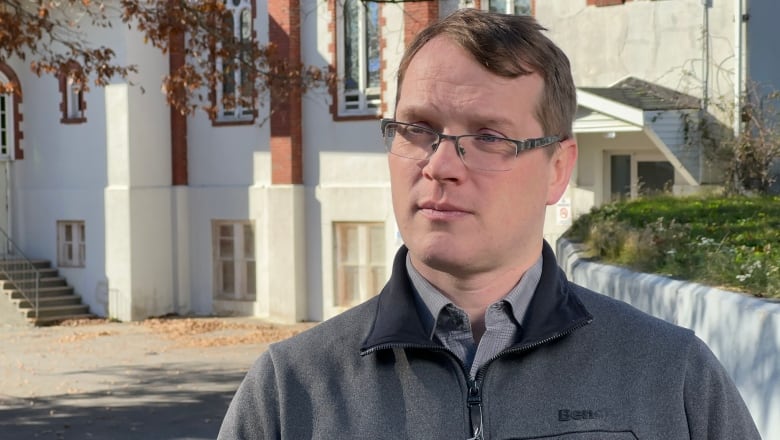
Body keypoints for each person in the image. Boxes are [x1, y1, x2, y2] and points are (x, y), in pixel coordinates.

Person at [218, 8, 760, 439]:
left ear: (558, 170)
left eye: (489, 137)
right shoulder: (290, 393)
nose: (439, 165)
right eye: (417, 129)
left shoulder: (673, 376)